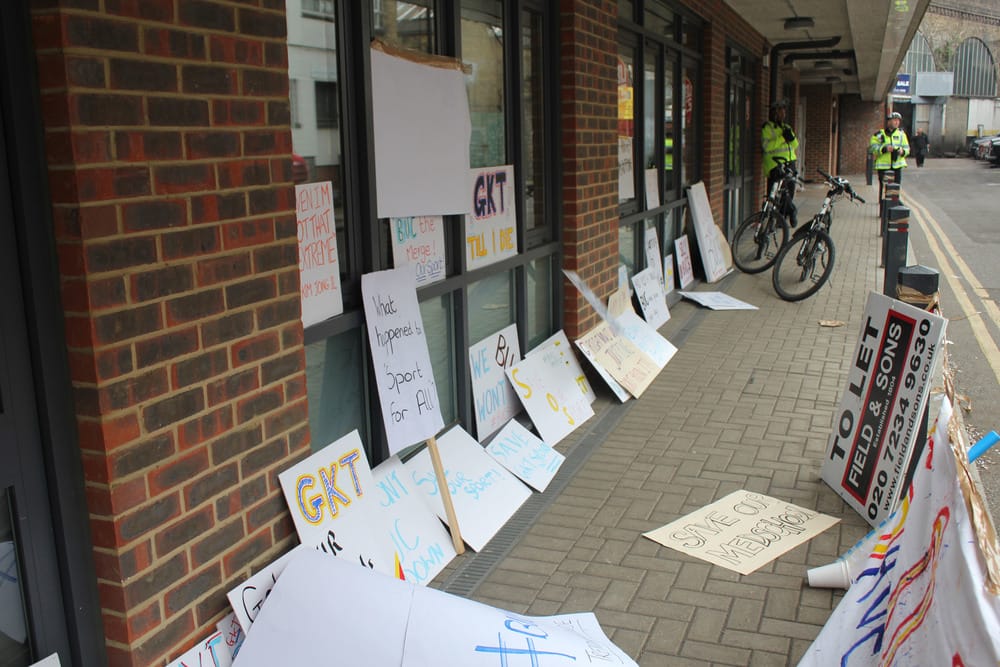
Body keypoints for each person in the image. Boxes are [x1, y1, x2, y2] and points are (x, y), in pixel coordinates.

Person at [761, 99, 799, 225]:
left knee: (790, 191)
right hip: (775, 165)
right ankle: (791, 211)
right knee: (780, 193)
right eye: (781, 112)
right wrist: (782, 138)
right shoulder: (767, 128)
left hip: (790, 163)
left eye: (784, 112)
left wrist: (791, 138)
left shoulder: (787, 127)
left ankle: (782, 218)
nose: (783, 114)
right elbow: (767, 146)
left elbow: (795, 145)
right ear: (775, 113)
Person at [870, 111, 909, 202]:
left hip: (897, 166)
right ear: (888, 121)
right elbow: (872, 148)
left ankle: (894, 204)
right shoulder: (879, 135)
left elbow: (907, 148)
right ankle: (883, 205)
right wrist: (884, 149)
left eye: (898, 120)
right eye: (894, 120)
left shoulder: (901, 134)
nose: (897, 122)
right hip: (883, 167)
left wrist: (902, 151)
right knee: (884, 188)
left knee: (895, 189)